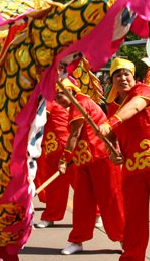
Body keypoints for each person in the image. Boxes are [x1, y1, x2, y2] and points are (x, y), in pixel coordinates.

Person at [98, 57, 150, 261]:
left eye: (126, 74)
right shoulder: (112, 105)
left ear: (134, 77)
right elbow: (112, 137)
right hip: (132, 170)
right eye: (117, 75)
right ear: (111, 80)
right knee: (133, 222)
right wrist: (112, 153)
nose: (123, 78)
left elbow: (135, 107)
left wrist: (111, 122)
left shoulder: (143, 91)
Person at [56, 78, 124, 255]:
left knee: (111, 201)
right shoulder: (77, 104)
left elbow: (74, 135)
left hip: (102, 158)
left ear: (70, 91)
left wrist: (63, 160)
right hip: (84, 160)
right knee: (82, 202)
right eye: (56, 97)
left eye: (61, 95)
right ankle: (77, 240)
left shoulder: (80, 103)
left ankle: (124, 238)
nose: (59, 100)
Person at [34, 98, 75, 228]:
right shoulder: (41, 100)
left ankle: (96, 214)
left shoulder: (49, 100)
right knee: (53, 187)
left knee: (80, 185)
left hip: (64, 146)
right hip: (52, 148)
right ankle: (50, 216)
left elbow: (37, 120)